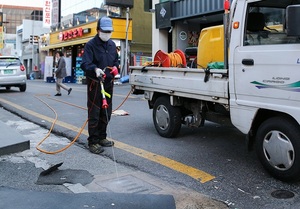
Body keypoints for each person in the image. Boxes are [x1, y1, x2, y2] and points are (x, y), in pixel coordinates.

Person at [80, 16, 119, 154]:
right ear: (98, 30)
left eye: (109, 31)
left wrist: (115, 68)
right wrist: (95, 69)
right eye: (104, 31)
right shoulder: (90, 45)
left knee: (106, 112)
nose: (107, 34)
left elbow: (116, 60)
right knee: (95, 112)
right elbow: (84, 63)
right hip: (95, 84)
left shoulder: (112, 45)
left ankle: (102, 137)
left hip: (108, 83)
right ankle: (93, 141)